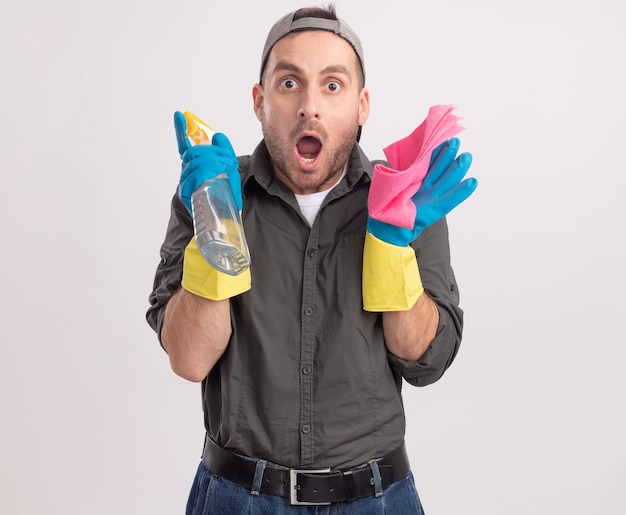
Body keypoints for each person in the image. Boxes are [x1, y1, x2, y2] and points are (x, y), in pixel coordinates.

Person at [146, 4, 477, 514]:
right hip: (237, 498)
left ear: (362, 104)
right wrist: (218, 224)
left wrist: (389, 242)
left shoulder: (407, 201)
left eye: (332, 85)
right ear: (260, 101)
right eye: (289, 83)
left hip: (375, 499)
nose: (310, 107)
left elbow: (424, 361)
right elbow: (189, 359)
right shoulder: (211, 191)